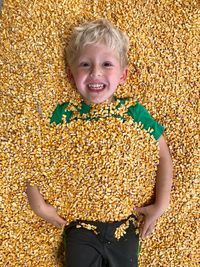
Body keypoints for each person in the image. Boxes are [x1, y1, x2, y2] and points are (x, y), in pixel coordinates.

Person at [26, 19, 173, 267]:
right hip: (79, 224)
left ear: (123, 74)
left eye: (107, 64)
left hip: (125, 222)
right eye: (85, 64)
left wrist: (161, 203)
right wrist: (38, 203)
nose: (95, 72)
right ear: (71, 75)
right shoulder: (63, 115)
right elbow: (31, 153)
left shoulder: (133, 113)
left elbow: (163, 155)